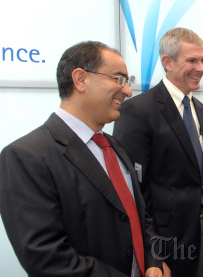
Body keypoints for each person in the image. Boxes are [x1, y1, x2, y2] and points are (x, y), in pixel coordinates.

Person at [0, 41, 168, 276]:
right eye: (119, 79)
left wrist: (153, 261)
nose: (128, 91)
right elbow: (46, 258)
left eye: (127, 82)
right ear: (80, 79)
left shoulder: (114, 146)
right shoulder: (26, 156)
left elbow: (140, 215)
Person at [113, 28, 203, 277]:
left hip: (202, 236)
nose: (201, 67)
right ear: (167, 62)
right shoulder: (138, 111)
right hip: (163, 243)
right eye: (192, 60)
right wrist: (153, 255)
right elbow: (133, 191)